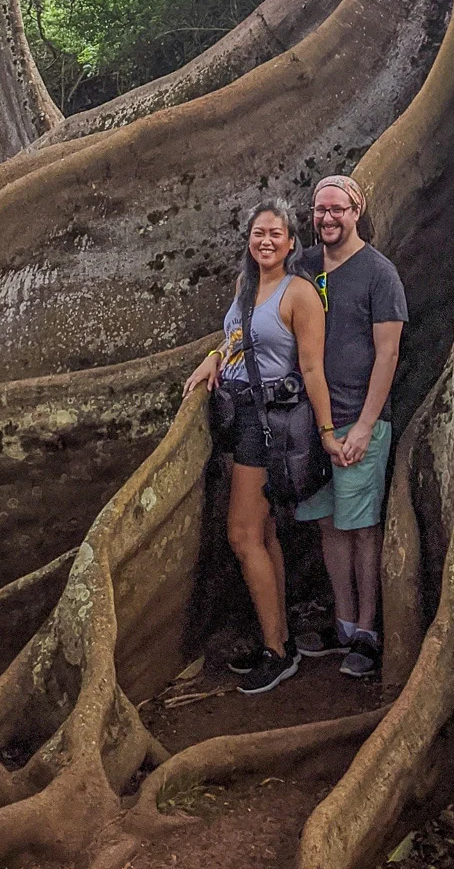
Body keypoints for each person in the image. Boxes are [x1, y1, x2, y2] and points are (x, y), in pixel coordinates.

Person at [183, 197, 338, 695]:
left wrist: (327, 432)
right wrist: (213, 357)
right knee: (263, 531)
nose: (265, 241)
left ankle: (278, 651)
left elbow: (312, 369)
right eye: (258, 234)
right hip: (239, 413)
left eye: (275, 234)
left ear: (292, 242)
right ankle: (280, 639)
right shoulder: (245, 285)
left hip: (273, 424)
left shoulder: (300, 294)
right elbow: (237, 337)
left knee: (242, 533)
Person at [293, 174, 407, 680]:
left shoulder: (380, 275)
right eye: (320, 211)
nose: (328, 219)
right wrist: (214, 358)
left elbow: (388, 354)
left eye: (338, 209)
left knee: (362, 528)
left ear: (357, 210)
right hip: (309, 425)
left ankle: (367, 629)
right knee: (328, 525)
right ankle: (341, 622)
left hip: (358, 422)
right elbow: (254, 309)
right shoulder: (303, 266)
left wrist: (363, 426)